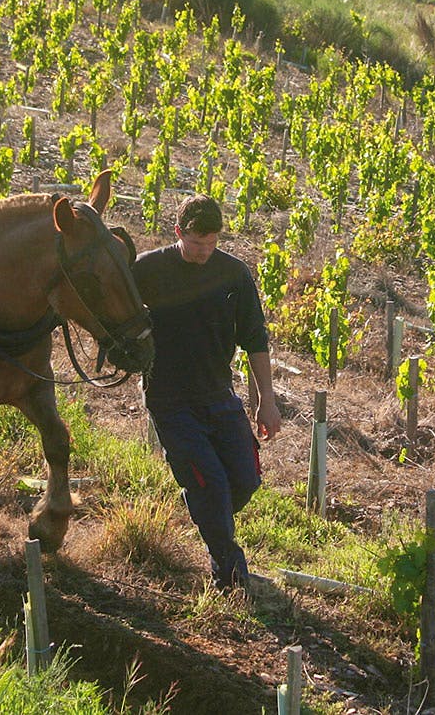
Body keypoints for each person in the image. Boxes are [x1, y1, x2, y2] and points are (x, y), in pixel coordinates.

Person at [132, 195, 282, 592]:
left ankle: (204, 512)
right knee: (210, 484)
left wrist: (266, 400)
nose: (204, 252)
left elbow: (256, 341)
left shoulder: (234, 274)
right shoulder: (147, 269)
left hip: (219, 394)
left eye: (211, 243)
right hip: (169, 399)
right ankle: (231, 576)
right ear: (178, 232)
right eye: (196, 243)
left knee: (246, 480)